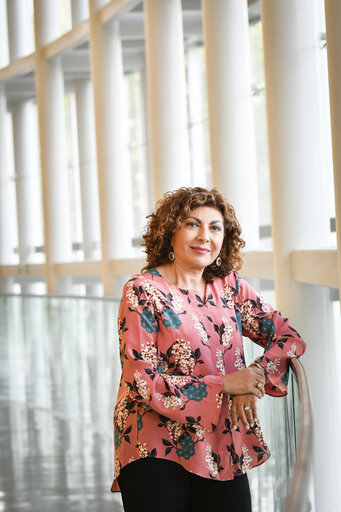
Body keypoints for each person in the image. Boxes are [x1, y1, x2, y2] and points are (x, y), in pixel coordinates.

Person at [111, 187, 306, 511]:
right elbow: (142, 381)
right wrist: (227, 384)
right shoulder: (142, 290)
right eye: (192, 224)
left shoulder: (230, 286)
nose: (205, 236)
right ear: (169, 230)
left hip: (221, 440)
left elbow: (288, 337)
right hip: (153, 443)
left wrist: (254, 375)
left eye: (215, 227)